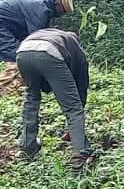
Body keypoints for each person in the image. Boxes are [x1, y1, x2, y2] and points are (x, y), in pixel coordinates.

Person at [0, 0, 74, 93]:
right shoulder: (40, 8)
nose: (62, 15)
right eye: (63, 11)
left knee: (21, 55)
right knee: (19, 57)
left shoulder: (39, 2)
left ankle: (10, 89)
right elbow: (37, 39)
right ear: (58, 5)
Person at [16, 27, 92, 164]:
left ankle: (27, 147)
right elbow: (81, 87)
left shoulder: (54, 35)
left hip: (23, 51)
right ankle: (80, 155)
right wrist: (75, 124)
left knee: (31, 98)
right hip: (49, 53)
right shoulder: (76, 49)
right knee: (73, 109)